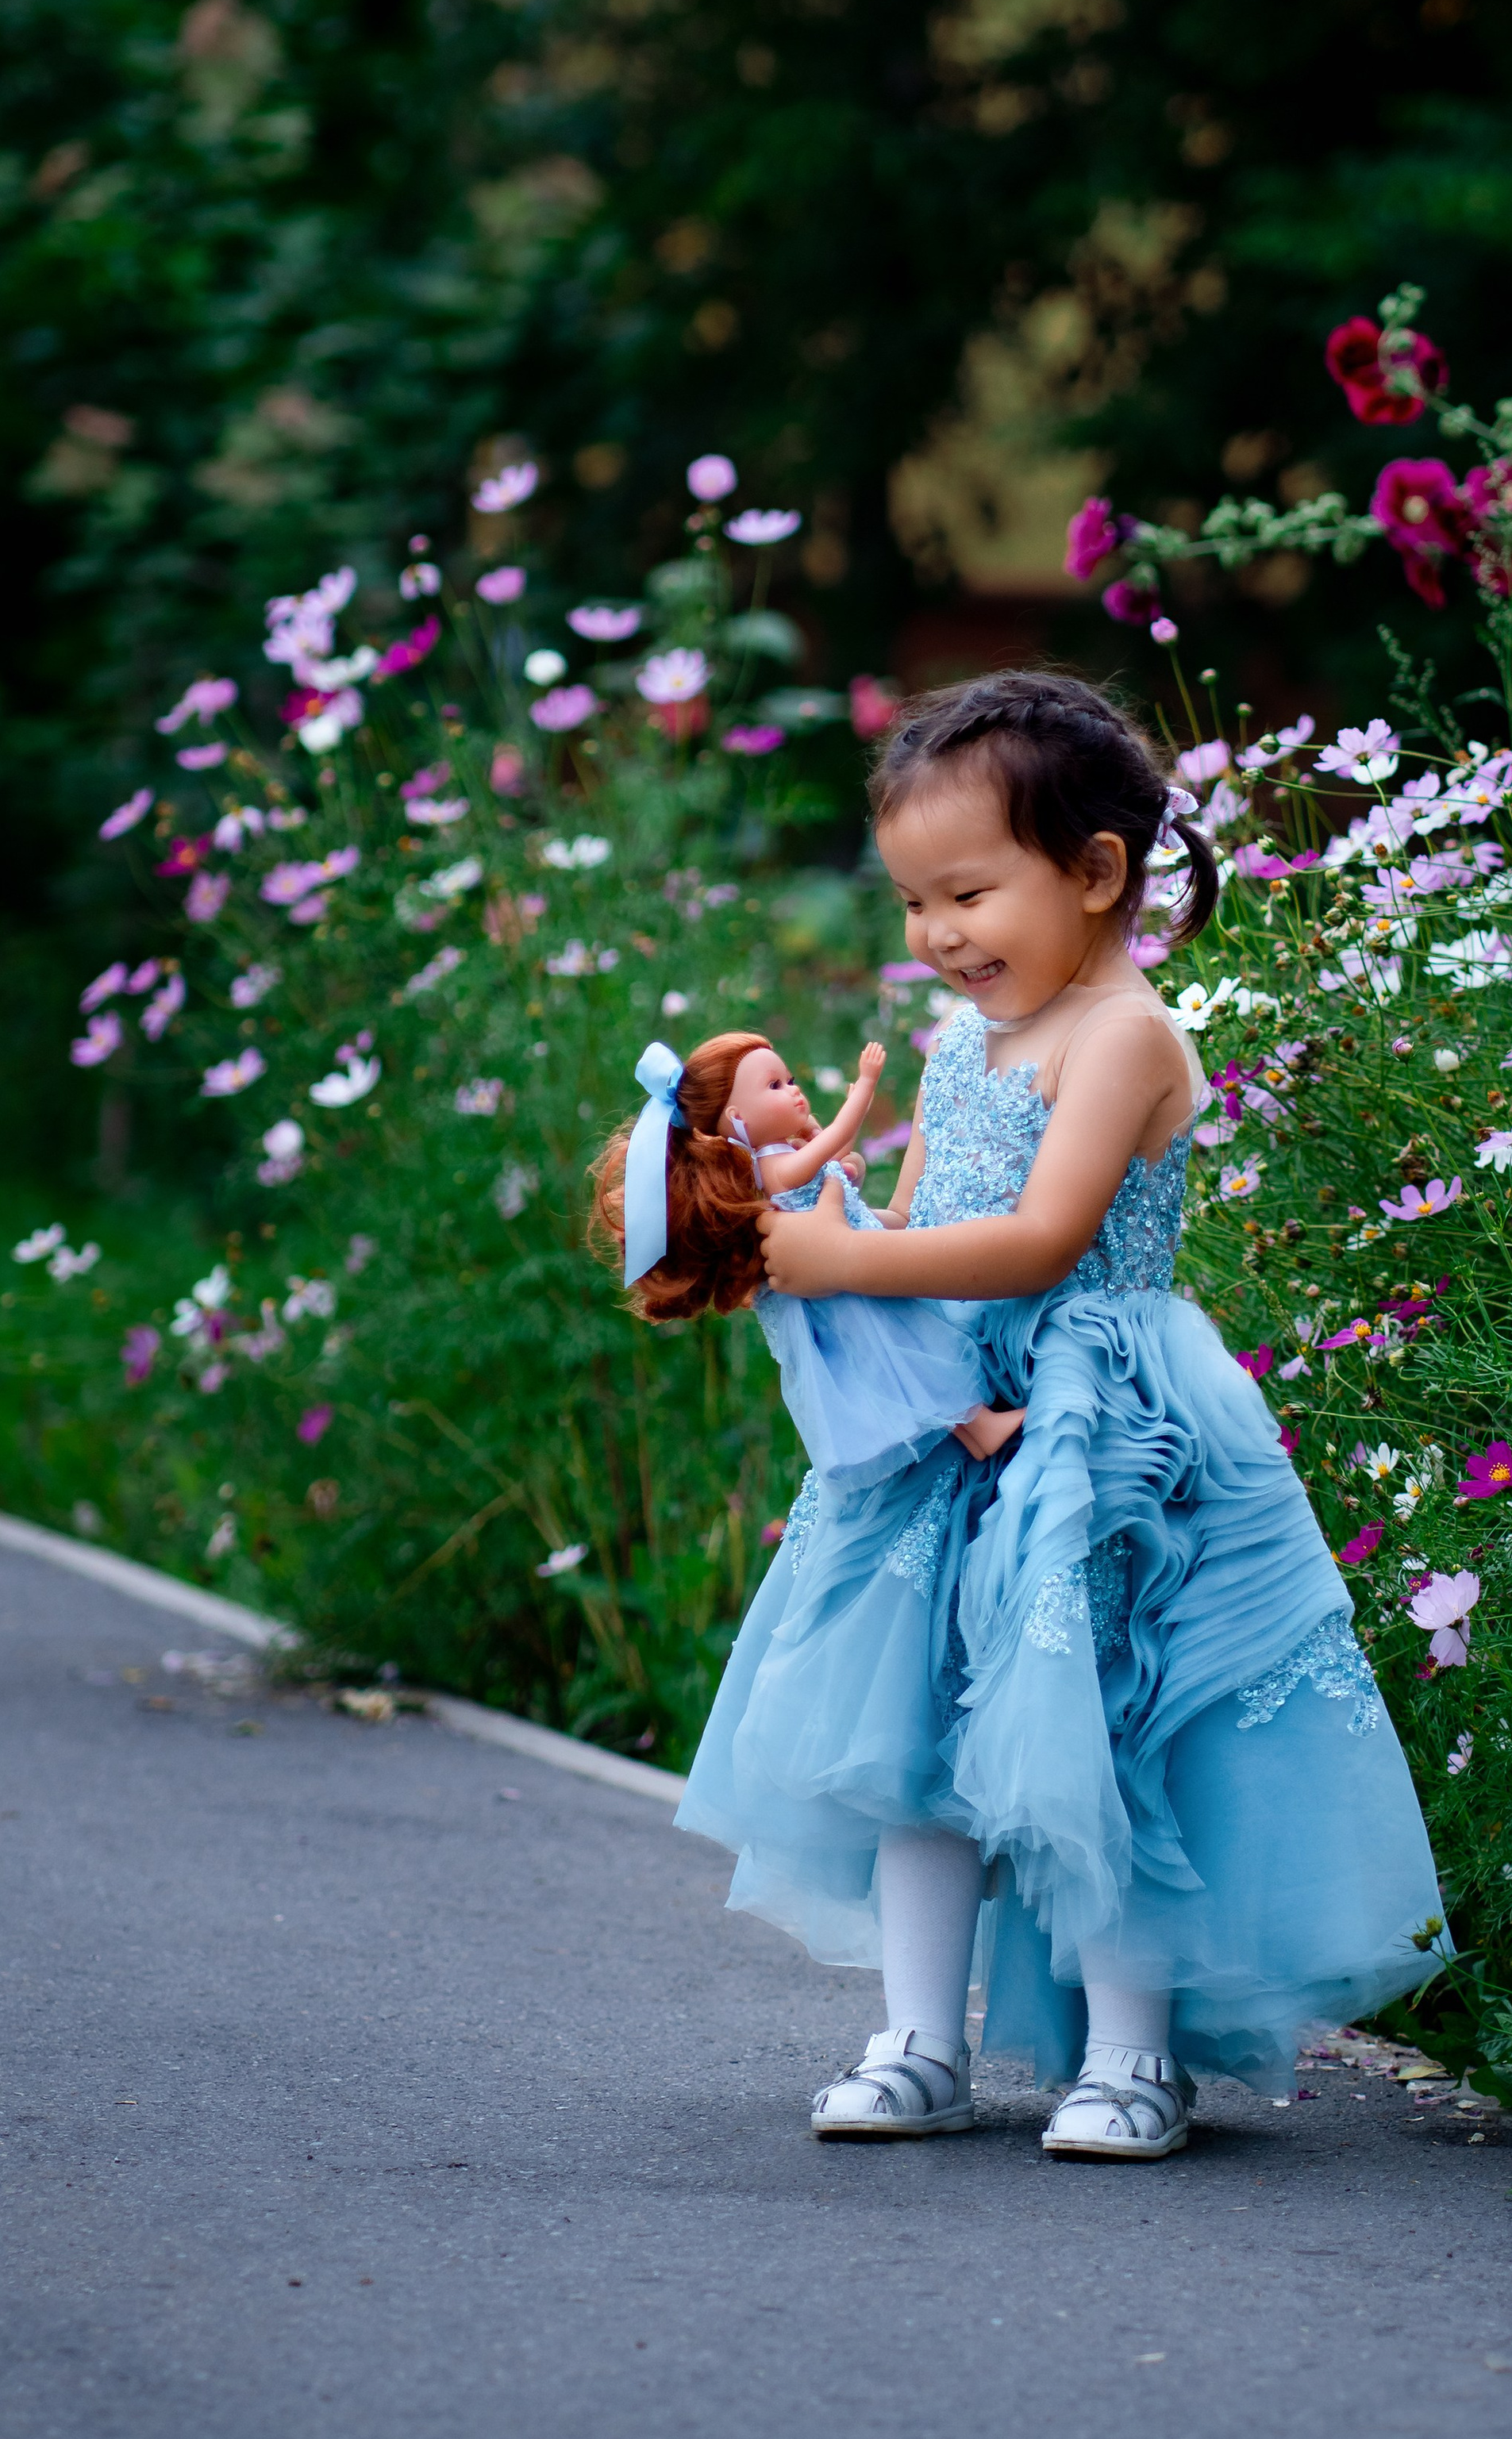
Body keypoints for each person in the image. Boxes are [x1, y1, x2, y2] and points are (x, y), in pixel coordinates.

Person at [671, 671, 1449, 2158]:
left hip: (1097, 1428)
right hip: (952, 1420)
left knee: (1108, 1725)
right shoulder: (961, 1045)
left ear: (1096, 872)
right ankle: (919, 2039)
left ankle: (1132, 2054)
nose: (937, 935)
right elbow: (924, 1226)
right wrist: (816, 1242)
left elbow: (1041, 1241)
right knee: (913, 1734)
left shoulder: (1126, 1036)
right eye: (914, 903)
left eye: (968, 894)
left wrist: (852, 1262)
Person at [588, 1033, 1021, 1507]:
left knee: (909, 1351)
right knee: (910, 1352)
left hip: (852, 1268)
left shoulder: (781, 1158)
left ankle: (978, 1432)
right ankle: (980, 1425)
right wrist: (865, 1085)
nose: (793, 1089)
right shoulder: (771, 1168)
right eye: (774, 1086)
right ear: (737, 1117)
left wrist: (832, 1155)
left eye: (790, 1079)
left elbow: (833, 1156)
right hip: (845, 1294)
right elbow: (835, 1142)